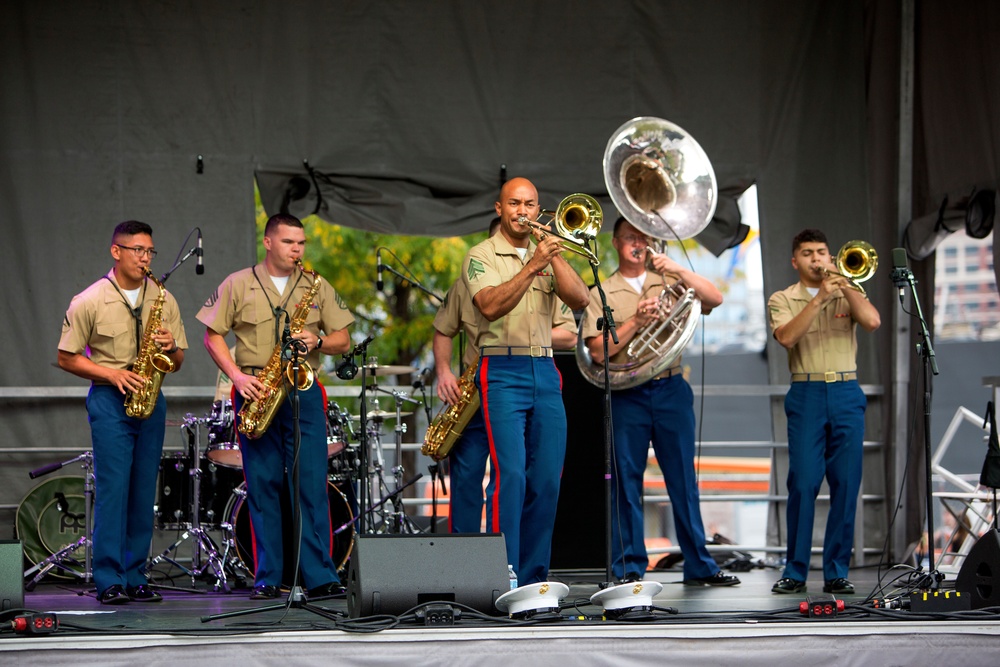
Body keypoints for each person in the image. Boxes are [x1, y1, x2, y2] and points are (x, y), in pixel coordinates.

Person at [198, 213, 353, 600]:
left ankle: (320, 576)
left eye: (301, 243)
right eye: (288, 242)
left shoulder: (317, 284)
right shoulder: (237, 283)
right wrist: (237, 377)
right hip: (256, 389)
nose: (297, 249)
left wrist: (317, 341)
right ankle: (268, 577)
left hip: (303, 387)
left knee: (312, 483)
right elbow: (211, 336)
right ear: (268, 243)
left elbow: (344, 339)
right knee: (263, 485)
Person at [580, 217, 739, 587]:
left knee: (684, 480)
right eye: (631, 237)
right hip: (627, 392)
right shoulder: (601, 292)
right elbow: (599, 353)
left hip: (671, 389)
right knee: (627, 483)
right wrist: (636, 320)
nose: (639, 243)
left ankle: (699, 564)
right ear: (616, 243)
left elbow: (714, 298)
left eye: (645, 238)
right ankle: (629, 567)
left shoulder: (670, 280)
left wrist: (677, 267)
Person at [461, 177, 590, 585]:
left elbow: (582, 300)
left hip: (545, 369)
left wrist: (552, 256)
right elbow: (490, 305)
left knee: (548, 477)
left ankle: (535, 578)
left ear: (539, 210)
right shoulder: (480, 255)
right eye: (514, 203)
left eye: (530, 204)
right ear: (499, 209)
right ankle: (504, 573)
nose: (523, 211)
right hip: (501, 369)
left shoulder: (547, 253)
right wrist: (533, 264)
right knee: (511, 475)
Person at [58, 220, 187, 605]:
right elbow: (66, 358)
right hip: (110, 399)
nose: (145, 259)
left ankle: (135, 576)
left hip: (151, 396)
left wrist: (170, 347)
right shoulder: (90, 299)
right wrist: (111, 374)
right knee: (114, 491)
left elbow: (177, 360)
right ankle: (109, 578)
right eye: (137, 251)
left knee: (143, 492)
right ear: (116, 251)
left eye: (150, 252)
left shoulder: (163, 297)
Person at [434, 218, 578, 533]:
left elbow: (570, 334)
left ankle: (508, 563)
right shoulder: (466, 280)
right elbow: (443, 329)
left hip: (519, 376)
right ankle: (468, 559)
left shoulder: (540, 271)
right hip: (472, 390)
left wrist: (531, 340)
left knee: (514, 474)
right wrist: (444, 371)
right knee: (467, 474)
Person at [767, 228, 880, 595]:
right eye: (808, 253)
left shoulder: (848, 288)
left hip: (846, 389)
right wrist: (817, 301)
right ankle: (795, 571)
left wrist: (844, 285)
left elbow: (873, 321)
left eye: (822, 252)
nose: (817, 259)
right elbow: (786, 337)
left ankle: (836, 570)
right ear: (795, 261)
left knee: (846, 483)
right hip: (807, 389)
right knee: (803, 481)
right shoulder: (783, 298)